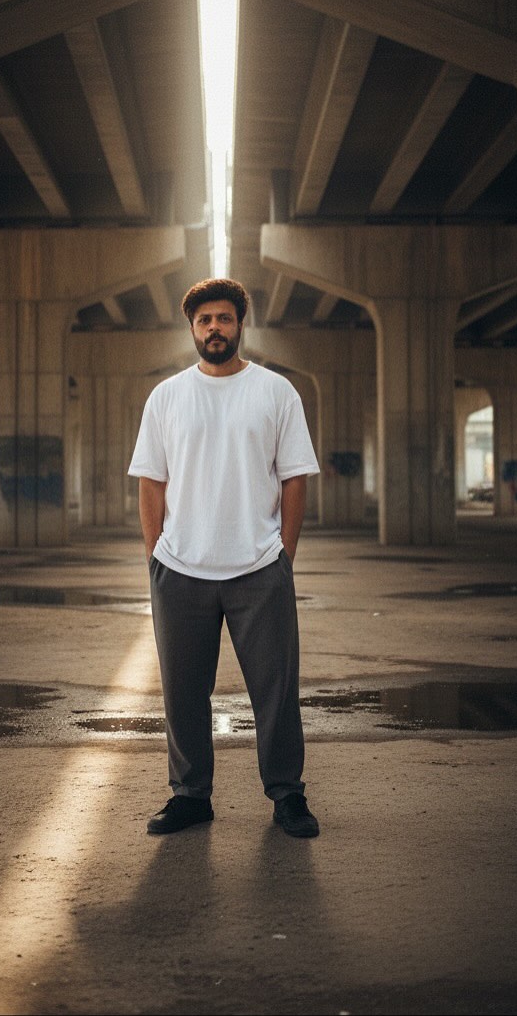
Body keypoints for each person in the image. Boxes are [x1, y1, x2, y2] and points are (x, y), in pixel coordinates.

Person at [127, 277, 321, 838]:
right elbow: (151, 481)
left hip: (259, 568)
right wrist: (156, 557)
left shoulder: (276, 392)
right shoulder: (167, 396)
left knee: (276, 690)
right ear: (192, 329)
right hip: (180, 569)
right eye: (205, 320)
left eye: (224, 318)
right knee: (183, 692)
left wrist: (283, 555)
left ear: (240, 325)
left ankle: (287, 794)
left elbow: (295, 478)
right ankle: (190, 797)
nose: (215, 328)